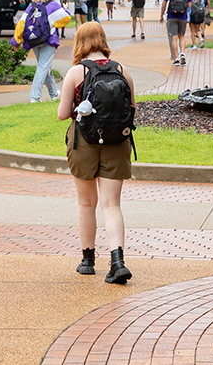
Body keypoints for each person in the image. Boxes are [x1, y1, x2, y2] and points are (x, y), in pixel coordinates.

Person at [57, 22, 136, 285]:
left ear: (80, 42)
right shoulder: (123, 71)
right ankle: (117, 261)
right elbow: (132, 110)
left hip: (84, 142)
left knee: (86, 203)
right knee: (112, 204)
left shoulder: (76, 72)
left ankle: (88, 260)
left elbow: (61, 114)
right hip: (117, 142)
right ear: (102, 40)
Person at [12, 0, 70, 103]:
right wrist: (66, 9)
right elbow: (66, 18)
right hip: (48, 41)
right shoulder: (53, 5)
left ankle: (54, 93)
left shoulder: (32, 6)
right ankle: (34, 97)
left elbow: (21, 24)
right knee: (43, 67)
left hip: (34, 40)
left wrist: (15, 41)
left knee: (45, 67)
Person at [161, 0, 193, 66]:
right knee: (182, 36)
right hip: (183, 16)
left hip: (171, 16)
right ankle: (182, 52)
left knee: (173, 37)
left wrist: (162, 14)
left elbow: (164, 4)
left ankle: (176, 58)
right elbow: (190, 4)